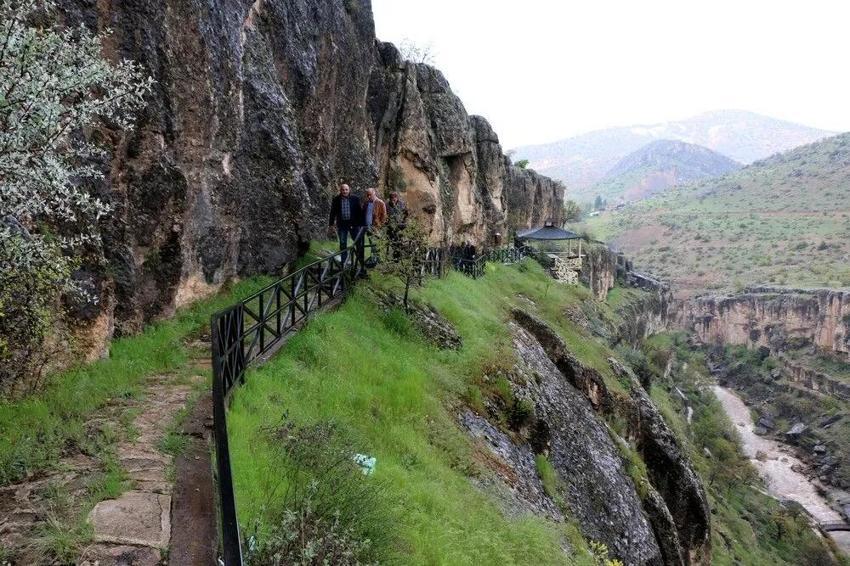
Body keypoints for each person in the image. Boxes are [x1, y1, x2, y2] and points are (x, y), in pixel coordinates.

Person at [329, 183, 363, 264]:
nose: (344, 191)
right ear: (340, 190)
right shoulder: (336, 199)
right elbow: (332, 212)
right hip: (342, 225)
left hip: (354, 225)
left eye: (346, 189)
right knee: (343, 243)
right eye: (343, 190)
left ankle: (360, 261)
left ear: (349, 190)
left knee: (358, 242)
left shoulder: (355, 199)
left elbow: (360, 212)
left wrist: (361, 223)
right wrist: (331, 224)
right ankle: (344, 262)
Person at [362, 188, 387, 265]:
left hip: (376, 227)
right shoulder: (366, 203)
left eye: (370, 195)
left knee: (375, 244)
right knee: (371, 243)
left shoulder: (380, 203)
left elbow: (384, 216)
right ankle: (376, 259)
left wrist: (380, 226)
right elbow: (364, 214)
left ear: (374, 193)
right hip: (368, 226)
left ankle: (375, 260)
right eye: (367, 195)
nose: (369, 196)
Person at [386, 191, 407, 260]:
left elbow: (405, 214)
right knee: (393, 241)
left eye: (394, 198)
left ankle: (398, 255)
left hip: (401, 226)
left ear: (397, 198)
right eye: (391, 198)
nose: (393, 199)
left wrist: (404, 222)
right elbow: (386, 215)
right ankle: (396, 255)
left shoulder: (402, 204)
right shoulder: (387, 205)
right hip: (391, 227)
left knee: (399, 240)